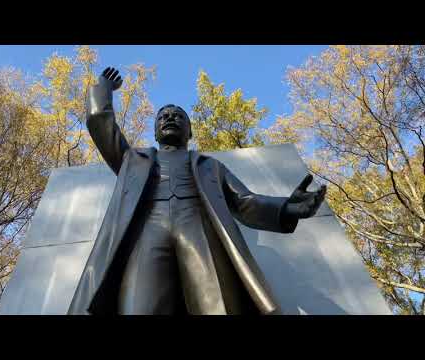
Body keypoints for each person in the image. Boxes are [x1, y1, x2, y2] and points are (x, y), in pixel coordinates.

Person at [68, 67, 326, 315]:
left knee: (216, 305)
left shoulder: (209, 166)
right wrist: (103, 87)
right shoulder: (132, 160)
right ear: (155, 132)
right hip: (146, 232)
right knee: (139, 305)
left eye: (178, 115)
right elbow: (99, 121)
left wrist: (289, 208)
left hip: (198, 228)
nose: (169, 117)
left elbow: (244, 202)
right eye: (163, 116)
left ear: (190, 131)